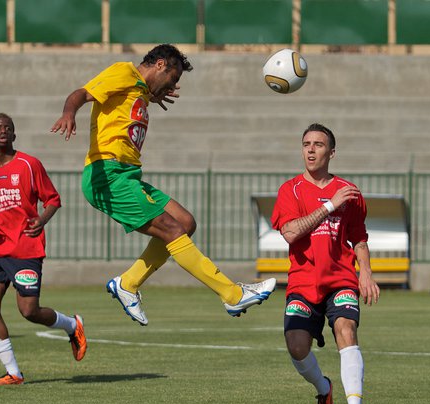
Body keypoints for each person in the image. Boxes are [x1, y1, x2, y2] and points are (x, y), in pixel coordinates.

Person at [50, 44, 276, 325]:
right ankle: (232, 294)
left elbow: (130, 98)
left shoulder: (139, 91)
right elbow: (81, 93)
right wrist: (69, 113)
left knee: (184, 222)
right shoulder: (124, 72)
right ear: (160, 65)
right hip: (106, 175)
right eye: (174, 77)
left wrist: (149, 96)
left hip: (127, 175)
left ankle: (128, 283)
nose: (174, 84)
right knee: (171, 229)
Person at [271, 124, 380, 404]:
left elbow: (359, 238)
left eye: (318, 144)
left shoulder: (350, 191)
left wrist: (366, 274)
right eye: (306, 143)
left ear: (331, 153)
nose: (310, 149)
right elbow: (291, 232)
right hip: (303, 282)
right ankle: (323, 388)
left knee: (346, 329)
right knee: (296, 346)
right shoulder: (290, 190)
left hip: (340, 279)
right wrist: (330, 205)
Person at [0, 113, 87, 386]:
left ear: (14, 135)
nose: (3, 131)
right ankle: (14, 372)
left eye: (8, 128)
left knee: (29, 311)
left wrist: (41, 220)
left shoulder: (29, 164)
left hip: (26, 247)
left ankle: (72, 325)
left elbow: (53, 199)